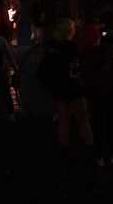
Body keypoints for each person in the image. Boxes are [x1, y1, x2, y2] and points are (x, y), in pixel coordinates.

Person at [39, 18, 93, 152]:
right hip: (74, 89)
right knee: (83, 120)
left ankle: (64, 150)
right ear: (70, 31)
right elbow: (75, 70)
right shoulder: (72, 47)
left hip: (59, 89)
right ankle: (90, 147)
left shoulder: (52, 47)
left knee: (63, 121)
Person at [84, 15, 113, 166]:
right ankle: (112, 154)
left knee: (99, 126)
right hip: (112, 94)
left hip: (97, 95)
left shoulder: (91, 55)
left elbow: (88, 75)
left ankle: (99, 155)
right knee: (112, 126)